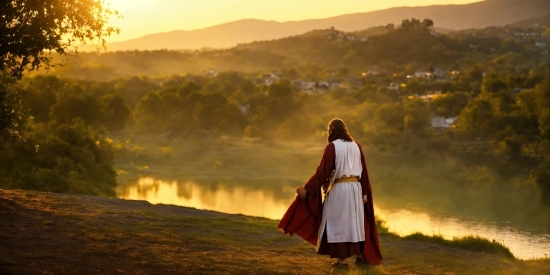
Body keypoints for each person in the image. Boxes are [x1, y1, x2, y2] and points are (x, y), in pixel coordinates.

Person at [295, 118, 382, 267]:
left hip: (340, 189)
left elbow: (323, 172)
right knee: (354, 223)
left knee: (339, 223)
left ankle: (342, 261)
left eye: (329, 130)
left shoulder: (332, 147)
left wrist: (307, 188)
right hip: (356, 189)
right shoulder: (357, 146)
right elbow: (364, 173)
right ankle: (360, 255)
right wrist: (364, 193)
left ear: (332, 130)